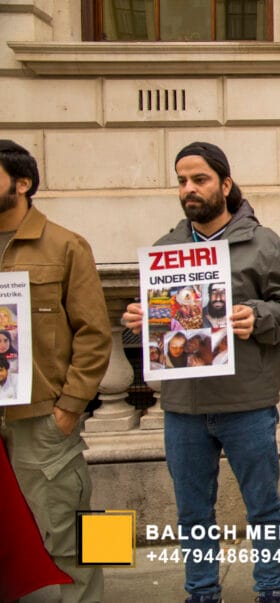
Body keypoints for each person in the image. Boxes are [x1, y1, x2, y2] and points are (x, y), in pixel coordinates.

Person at [123, 141, 280, 603]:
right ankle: (202, 592)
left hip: (246, 402)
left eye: (200, 179)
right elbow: (164, 321)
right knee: (192, 511)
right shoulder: (166, 250)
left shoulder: (263, 243)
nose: (189, 189)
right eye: (182, 180)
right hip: (183, 406)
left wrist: (256, 317)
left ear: (225, 185)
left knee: (263, 507)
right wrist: (143, 319)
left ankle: (271, 590)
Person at [0, 140, 112, 602]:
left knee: (71, 534)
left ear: (22, 183)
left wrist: (68, 409)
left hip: (40, 420)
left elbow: (94, 333)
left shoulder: (66, 244)